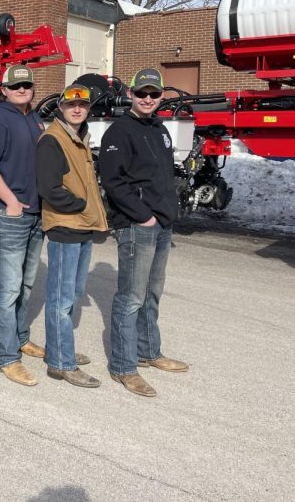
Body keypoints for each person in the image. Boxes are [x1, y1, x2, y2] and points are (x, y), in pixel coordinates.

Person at [100, 68, 188, 397]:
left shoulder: (159, 129)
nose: (147, 99)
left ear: (162, 96)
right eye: (141, 94)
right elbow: (112, 181)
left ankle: (148, 351)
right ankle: (123, 366)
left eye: (153, 94)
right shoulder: (119, 132)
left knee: (151, 293)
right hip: (138, 226)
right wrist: (143, 216)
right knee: (131, 297)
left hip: (162, 223)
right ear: (131, 95)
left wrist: (165, 214)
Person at [0, 64, 45, 386]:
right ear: (3, 89)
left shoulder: (33, 118)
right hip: (8, 214)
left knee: (25, 284)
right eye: (15, 86)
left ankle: (19, 337)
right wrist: (11, 202)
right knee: (6, 288)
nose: (22, 90)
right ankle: (5, 356)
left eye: (26, 85)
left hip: (35, 214)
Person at [36, 84, 108, 389]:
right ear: (61, 109)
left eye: (82, 106)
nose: (77, 109)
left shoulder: (78, 138)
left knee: (73, 295)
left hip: (83, 226)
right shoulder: (53, 139)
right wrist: (80, 205)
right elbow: (49, 187)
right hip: (66, 226)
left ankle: (59, 348)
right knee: (61, 299)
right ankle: (61, 364)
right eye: (70, 105)